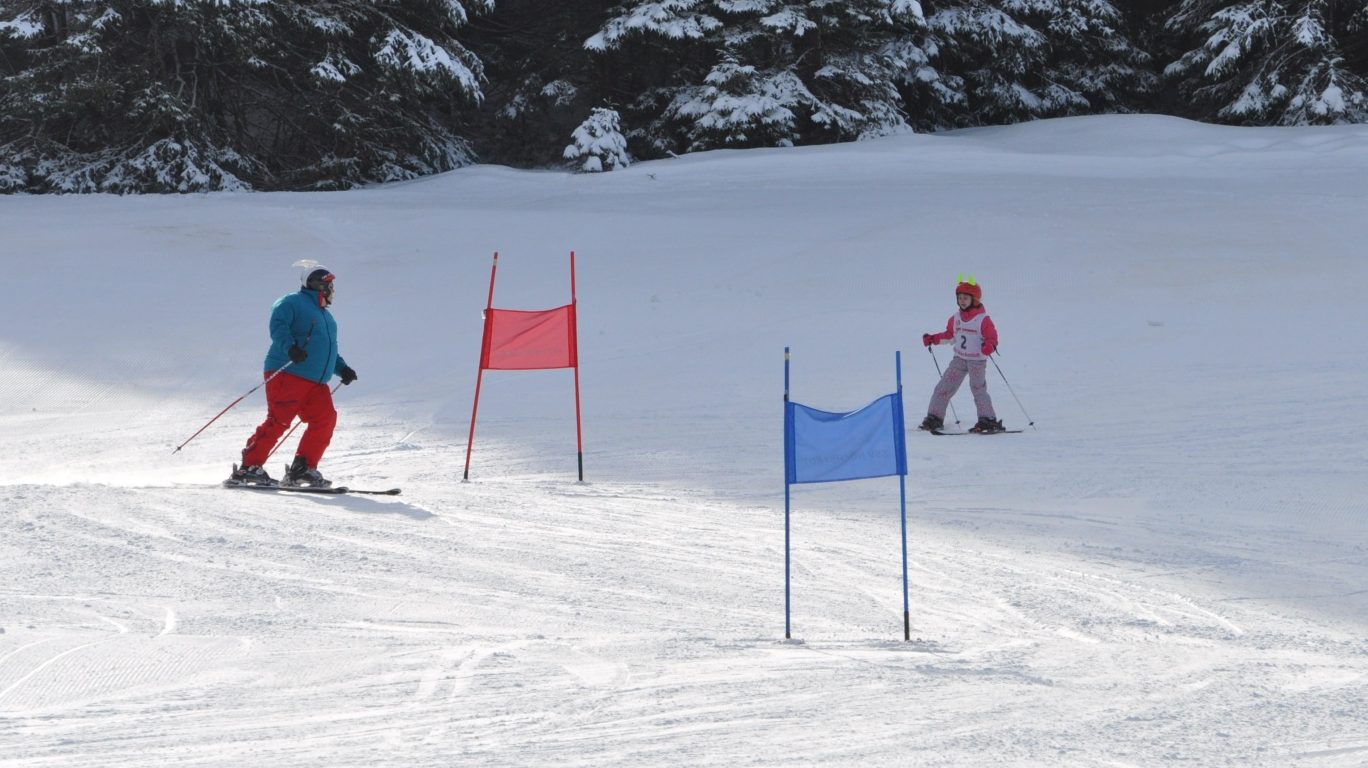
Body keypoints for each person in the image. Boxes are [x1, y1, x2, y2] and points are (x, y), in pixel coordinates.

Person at [229, 265, 358, 487]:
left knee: (325, 419)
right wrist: (290, 348)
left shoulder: (327, 317)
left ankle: (303, 469)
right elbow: (278, 325)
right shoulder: (292, 302)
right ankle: (249, 467)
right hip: (289, 371)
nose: (333, 291)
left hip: (317, 382)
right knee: (279, 420)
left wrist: (342, 368)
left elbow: (327, 349)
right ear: (319, 286)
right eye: (330, 286)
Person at [919, 276, 1003, 434]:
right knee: (943, 387)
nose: (962, 301)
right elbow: (950, 335)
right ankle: (934, 418)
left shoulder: (983, 320)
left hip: (976, 361)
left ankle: (988, 420)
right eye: (959, 298)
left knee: (978, 388)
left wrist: (989, 346)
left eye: (966, 298)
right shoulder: (956, 318)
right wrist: (933, 339)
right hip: (959, 359)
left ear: (975, 299)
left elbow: (992, 338)